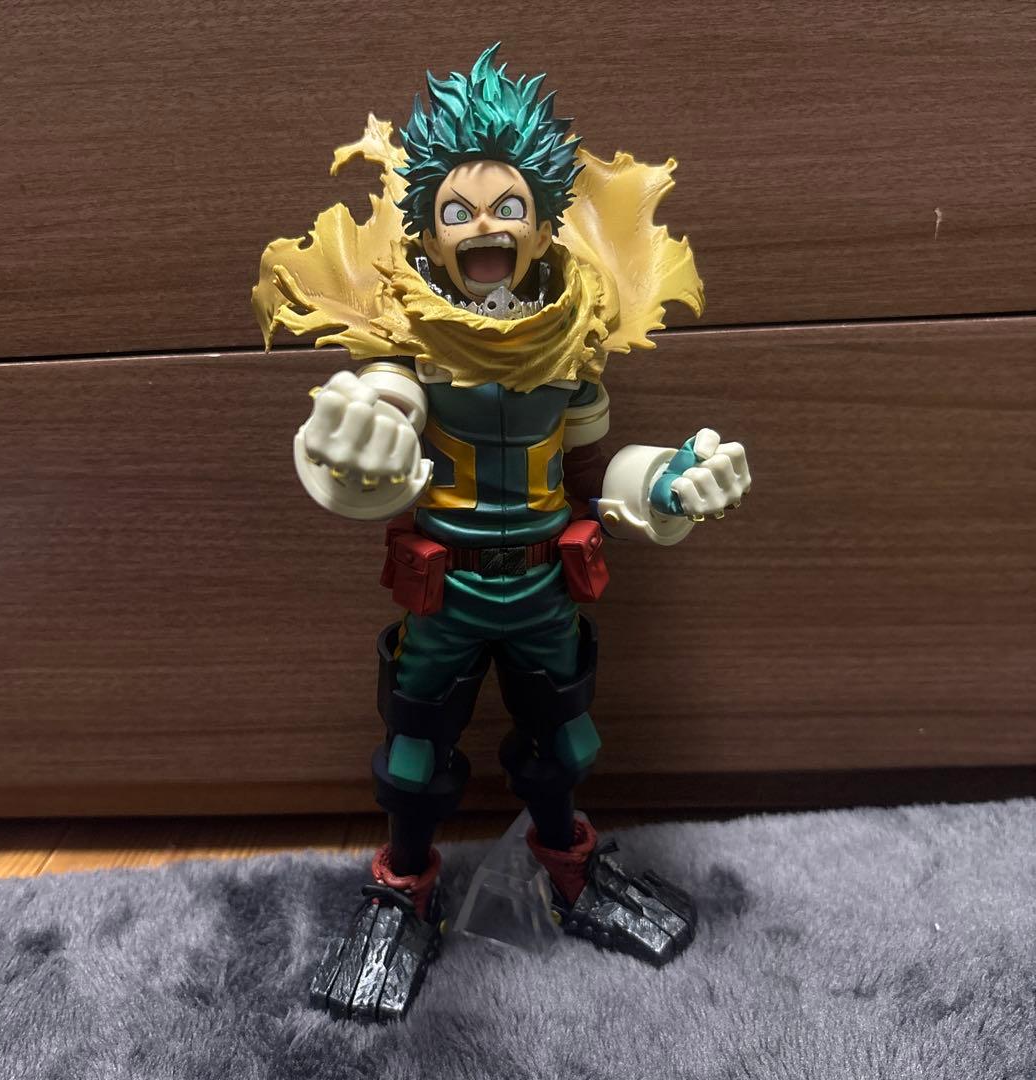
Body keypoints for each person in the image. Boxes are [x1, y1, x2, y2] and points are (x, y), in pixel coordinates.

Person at [252, 43, 751, 1023]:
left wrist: (669, 483)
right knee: (414, 751)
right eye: (459, 211)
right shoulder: (408, 346)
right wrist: (351, 440)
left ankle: (570, 868)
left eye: (508, 205)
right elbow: (381, 410)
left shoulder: (573, 348)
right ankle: (402, 890)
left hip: (543, 586)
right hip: (446, 587)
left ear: (544, 223)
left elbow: (592, 476)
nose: (485, 226)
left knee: (563, 737)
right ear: (428, 236)